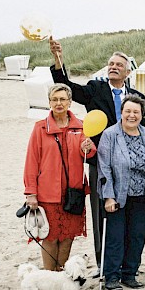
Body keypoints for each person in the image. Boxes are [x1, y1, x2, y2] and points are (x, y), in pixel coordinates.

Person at [49, 38, 144, 272]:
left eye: (118, 65)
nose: (113, 67)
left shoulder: (137, 97)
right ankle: (104, 265)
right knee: (101, 214)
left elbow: (142, 130)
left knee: (129, 214)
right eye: (110, 63)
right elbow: (66, 84)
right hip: (100, 162)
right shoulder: (95, 89)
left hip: (130, 165)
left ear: (127, 71)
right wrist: (58, 58)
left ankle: (127, 264)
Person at [23, 84, 96, 270]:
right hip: (48, 193)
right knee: (50, 236)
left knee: (68, 236)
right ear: (49, 102)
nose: (59, 103)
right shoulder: (40, 128)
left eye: (63, 99)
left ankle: (60, 273)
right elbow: (31, 161)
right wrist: (30, 192)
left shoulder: (81, 126)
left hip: (73, 192)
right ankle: (49, 274)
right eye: (55, 99)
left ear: (70, 102)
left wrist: (89, 148)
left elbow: (89, 153)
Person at [96, 95, 145, 290]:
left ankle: (129, 274)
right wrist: (108, 196)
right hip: (117, 196)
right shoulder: (110, 135)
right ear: (121, 113)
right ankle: (112, 277)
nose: (132, 115)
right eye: (128, 111)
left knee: (137, 236)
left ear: (142, 115)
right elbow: (104, 168)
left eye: (136, 112)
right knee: (116, 237)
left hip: (141, 196)